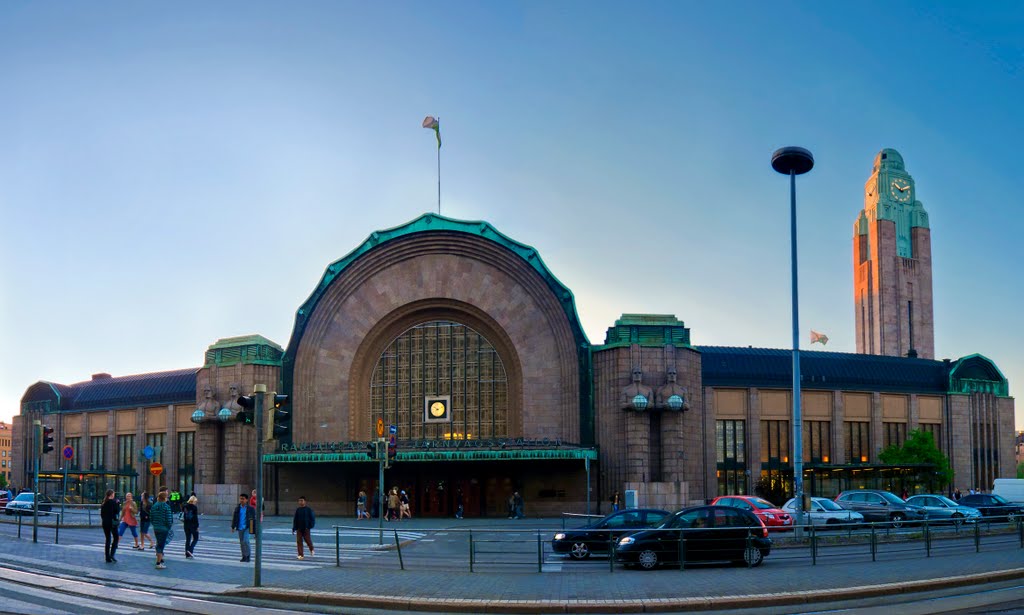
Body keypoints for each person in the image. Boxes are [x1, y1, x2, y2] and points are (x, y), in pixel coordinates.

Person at [150, 490, 173, 570]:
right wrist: (168, 527)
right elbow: (169, 519)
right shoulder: (166, 507)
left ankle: (161, 559)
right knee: (161, 545)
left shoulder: (154, 506)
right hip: (164, 528)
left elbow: (151, 517)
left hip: (156, 528)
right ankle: (158, 563)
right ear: (165, 498)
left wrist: (155, 525)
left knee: (158, 543)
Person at [231, 493, 255, 562]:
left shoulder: (251, 509)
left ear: (246, 500)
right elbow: (234, 518)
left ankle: (248, 556)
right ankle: (244, 556)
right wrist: (233, 527)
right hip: (240, 527)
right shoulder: (237, 508)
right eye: (240, 498)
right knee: (242, 543)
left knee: (246, 541)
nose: (241, 500)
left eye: (243, 499)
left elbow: (253, 519)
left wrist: (253, 530)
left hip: (247, 527)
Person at [101, 489, 120, 563]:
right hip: (112, 523)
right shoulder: (113, 502)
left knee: (108, 539)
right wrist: (118, 504)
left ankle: (107, 556)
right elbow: (117, 511)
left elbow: (102, 514)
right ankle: (112, 554)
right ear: (112, 495)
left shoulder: (104, 503)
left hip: (105, 522)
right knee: (116, 537)